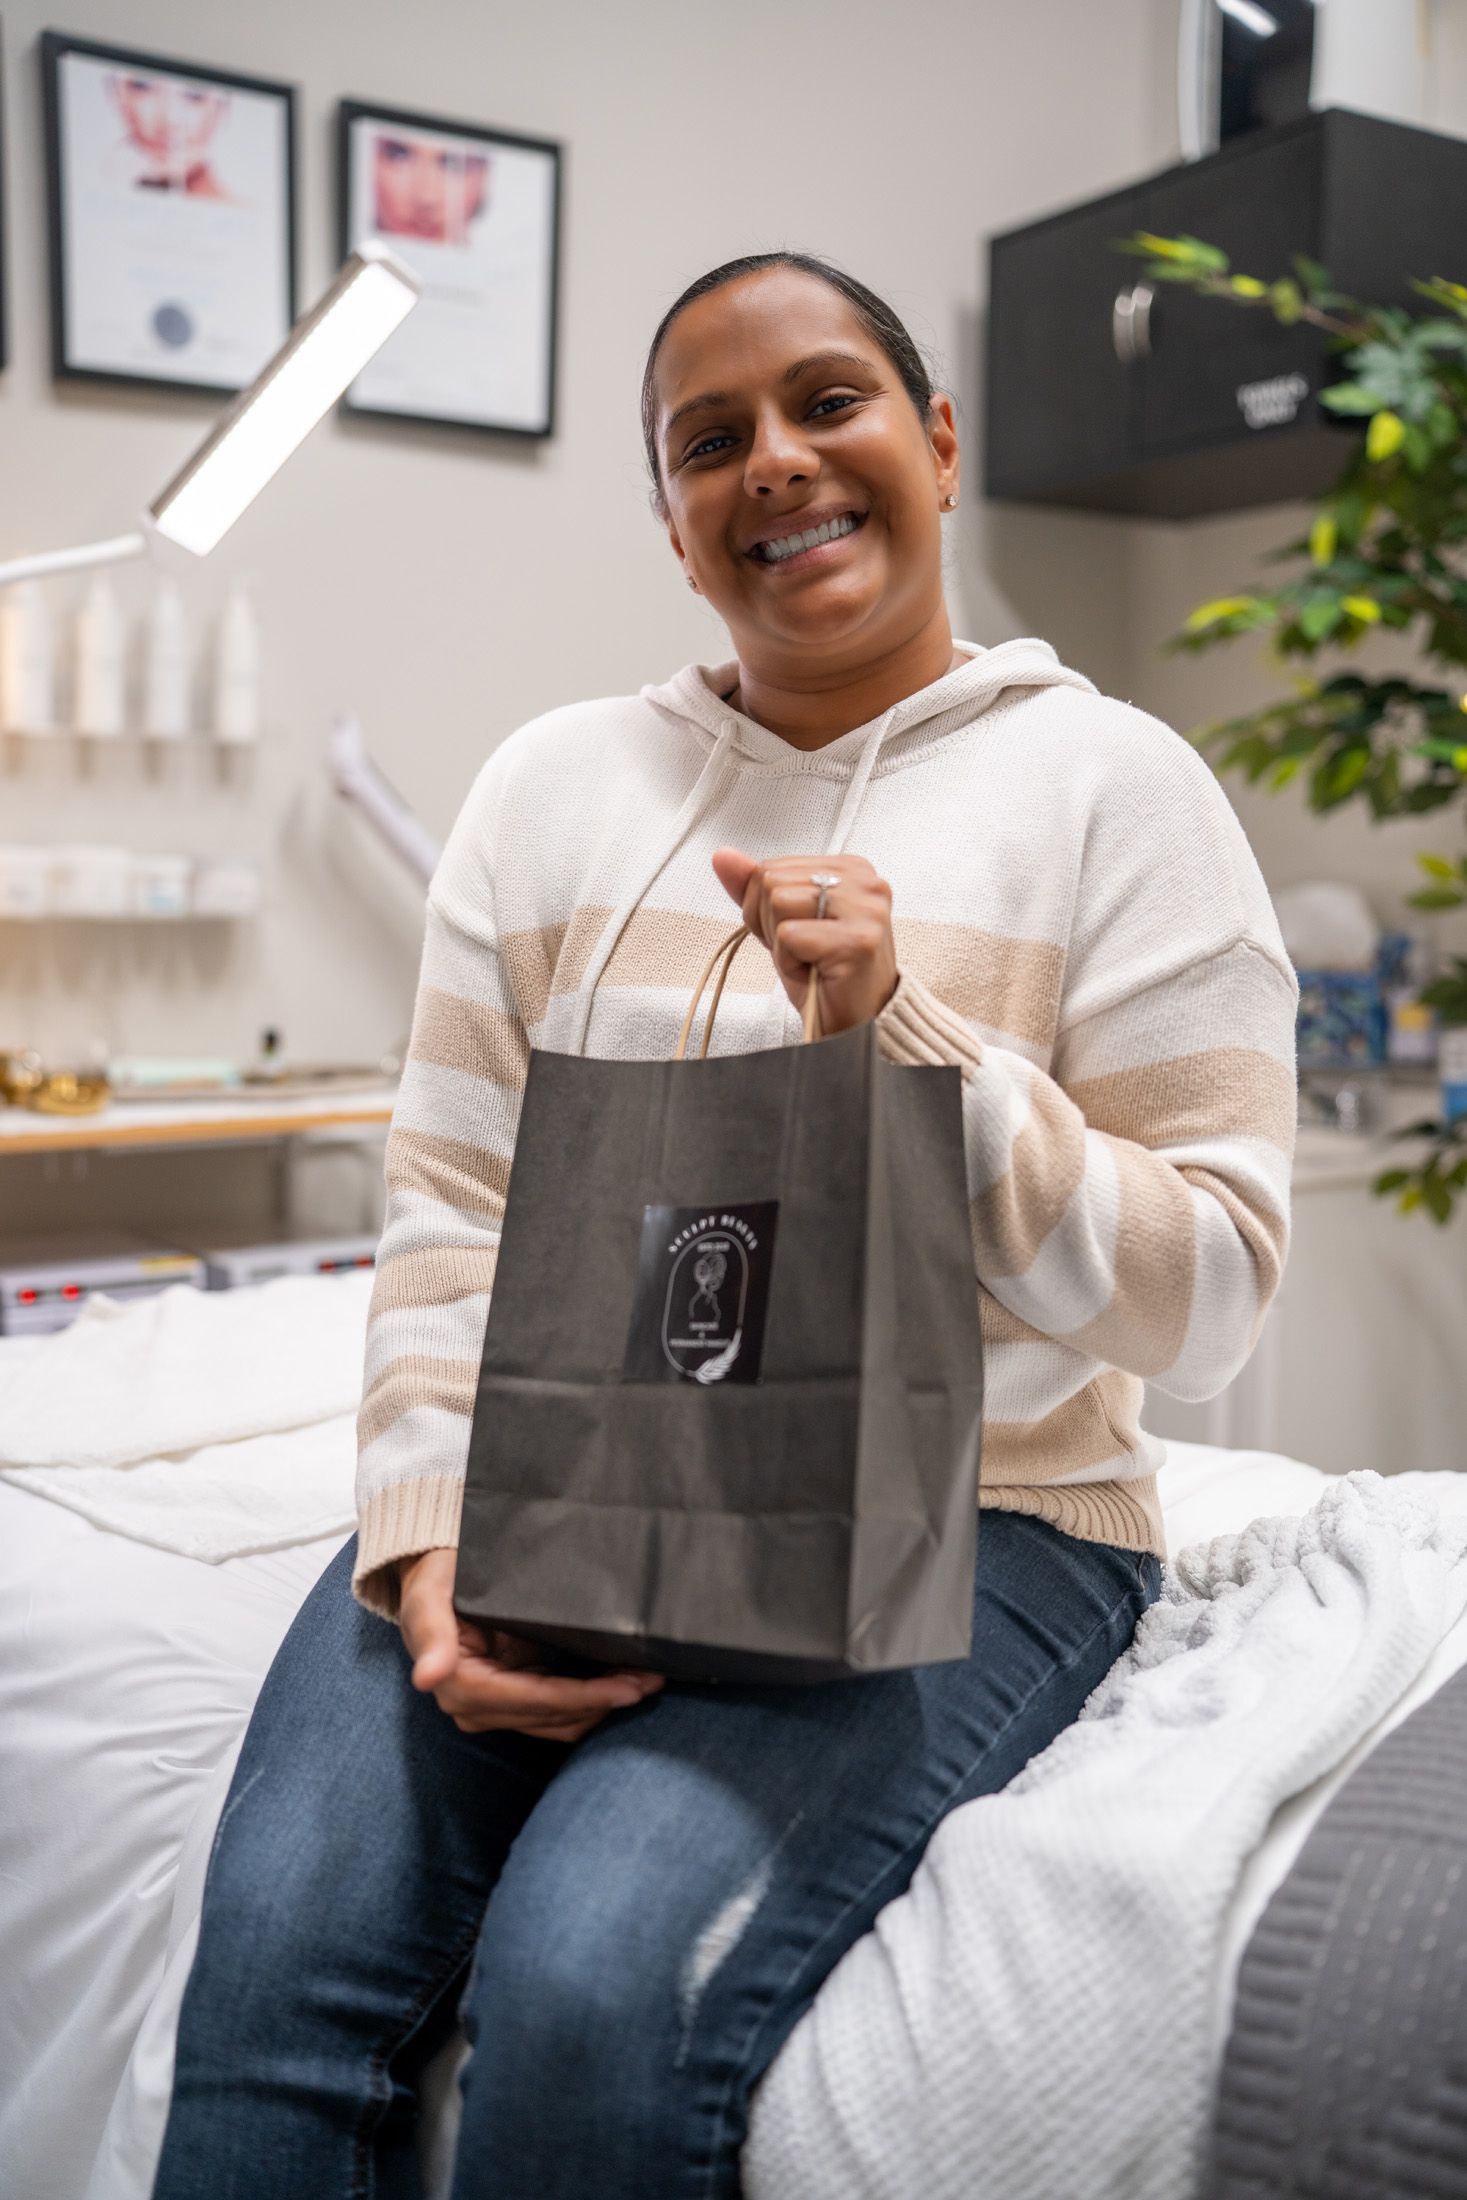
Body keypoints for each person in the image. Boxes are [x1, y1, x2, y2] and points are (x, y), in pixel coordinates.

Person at [151, 250, 1297, 2198]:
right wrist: (427, 1547)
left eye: (827, 402)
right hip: (564, 1472)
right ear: (673, 528)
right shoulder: (549, 790)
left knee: (592, 1976)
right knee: (270, 1979)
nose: (773, 458)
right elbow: (445, 1204)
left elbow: (1214, 1298)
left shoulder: (1117, 788)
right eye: (709, 439)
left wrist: (906, 1049)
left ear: (936, 442)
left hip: (987, 1513)